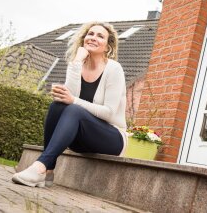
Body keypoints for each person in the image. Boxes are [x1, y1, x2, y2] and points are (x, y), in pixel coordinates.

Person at [12, 21, 127, 187]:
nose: (93, 38)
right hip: (83, 137)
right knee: (57, 106)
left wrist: (73, 101)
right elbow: (68, 97)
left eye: (100, 36)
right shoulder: (76, 64)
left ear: (107, 46)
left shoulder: (114, 69)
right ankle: (48, 170)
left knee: (74, 109)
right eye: (90, 34)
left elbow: (108, 113)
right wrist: (77, 61)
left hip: (112, 138)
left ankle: (40, 167)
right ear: (83, 39)